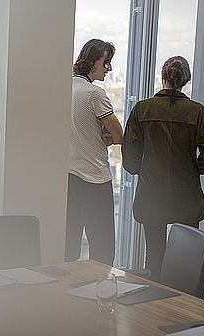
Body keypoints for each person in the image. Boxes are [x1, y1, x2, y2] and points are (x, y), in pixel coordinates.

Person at [122, 56, 204, 281]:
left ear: (162, 77)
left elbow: (129, 161)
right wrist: (192, 168)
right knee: (186, 260)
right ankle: (181, 310)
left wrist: (143, 169)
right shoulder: (197, 112)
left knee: (153, 258)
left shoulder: (141, 109)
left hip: (151, 195)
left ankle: (152, 310)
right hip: (186, 196)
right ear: (186, 80)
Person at [65, 39, 123, 266]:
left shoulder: (66, 86)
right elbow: (119, 136)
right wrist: (108, 136)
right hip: (94, 178)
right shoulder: (94, 94)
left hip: (69, 176)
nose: (108, 68)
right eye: (106, 62)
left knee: (68, 246)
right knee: (102, 250)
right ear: (92, 61)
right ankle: (100, 296)